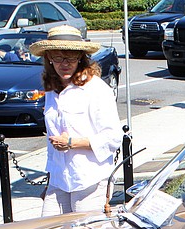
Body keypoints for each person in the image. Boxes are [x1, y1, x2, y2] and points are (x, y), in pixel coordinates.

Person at [29, 25, 122, 216]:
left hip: (90, 178)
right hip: (59, 178)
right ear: (48, 58)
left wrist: (72, 143)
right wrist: (50, 179)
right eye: (58, 57)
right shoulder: (51, 90)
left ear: (81, 57)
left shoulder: (96, 89)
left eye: (71, 57)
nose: (65, 63)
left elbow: (113, 137)